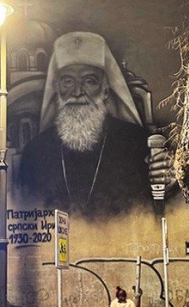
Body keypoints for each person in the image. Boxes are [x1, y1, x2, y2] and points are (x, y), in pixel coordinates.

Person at [19, 31, 169, 216]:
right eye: (68, 81)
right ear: (57, 88)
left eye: (89, 81)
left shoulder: (137, 144)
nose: (77, 92)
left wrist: (168, 179)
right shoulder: (35, 153)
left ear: (105, 90)